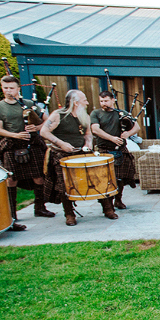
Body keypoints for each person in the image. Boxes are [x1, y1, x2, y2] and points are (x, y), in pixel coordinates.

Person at [40, 90, 115, 225]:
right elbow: (44, 131)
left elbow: (88, 133)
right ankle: (69, 214)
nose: (87, 102)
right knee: (64, 185)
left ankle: (108, 209)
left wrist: (88, 143)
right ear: (75, 103)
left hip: (81, 153)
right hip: (61, 155)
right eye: (84, 99)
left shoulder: (84, 116)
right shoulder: (58, 115)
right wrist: (61, 143)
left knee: (98, 179)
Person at [0, 75, 53, 222]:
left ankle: (40, 208)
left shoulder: (28, 103)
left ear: (18, 89)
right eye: (5, 88)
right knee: (11, 179)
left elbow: (47, 121)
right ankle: (12, 213)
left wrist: (36, 127)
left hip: (32, 144)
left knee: (39, 177)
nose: (8, 91)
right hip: (12, 145)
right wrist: (16, 135)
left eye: (11, 88)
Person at [91, 90, 140, 210]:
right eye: (101, 101)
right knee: (106, 179)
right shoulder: (96, 113)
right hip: (104, 149)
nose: (103, 103)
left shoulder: (121, 113)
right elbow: (95, 129)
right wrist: (111, 138)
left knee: (120, 178)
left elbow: (137, 127)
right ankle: (107, 205)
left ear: (113, 100)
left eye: (106, 101)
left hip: (120, 150)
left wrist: (128, 133)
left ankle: (118, 200)